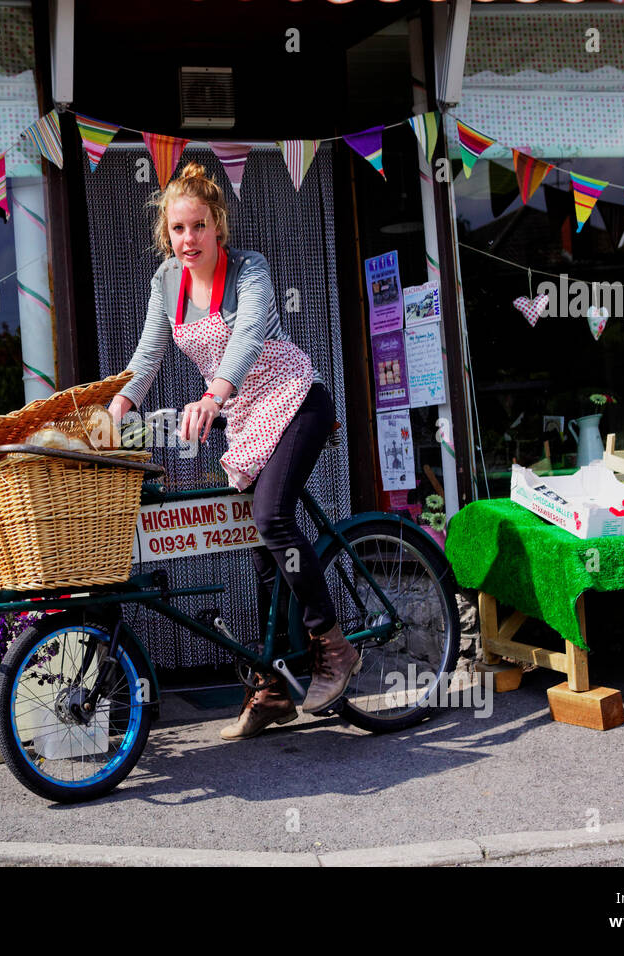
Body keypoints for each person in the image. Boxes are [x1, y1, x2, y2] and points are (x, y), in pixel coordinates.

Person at [107, 162, 359, 741]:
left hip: (296, 399)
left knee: (271, 517)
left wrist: (215, 392)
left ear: (218, 225)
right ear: (165, 233)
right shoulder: (165, 283)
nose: (188, 239)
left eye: (198, 226)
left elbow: (248, 334)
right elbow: (147, 358)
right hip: (247, 418)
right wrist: (119, 406)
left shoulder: (249, 270)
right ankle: (275, 688)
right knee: (262, 551)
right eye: (177, 229)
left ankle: (333, 646)